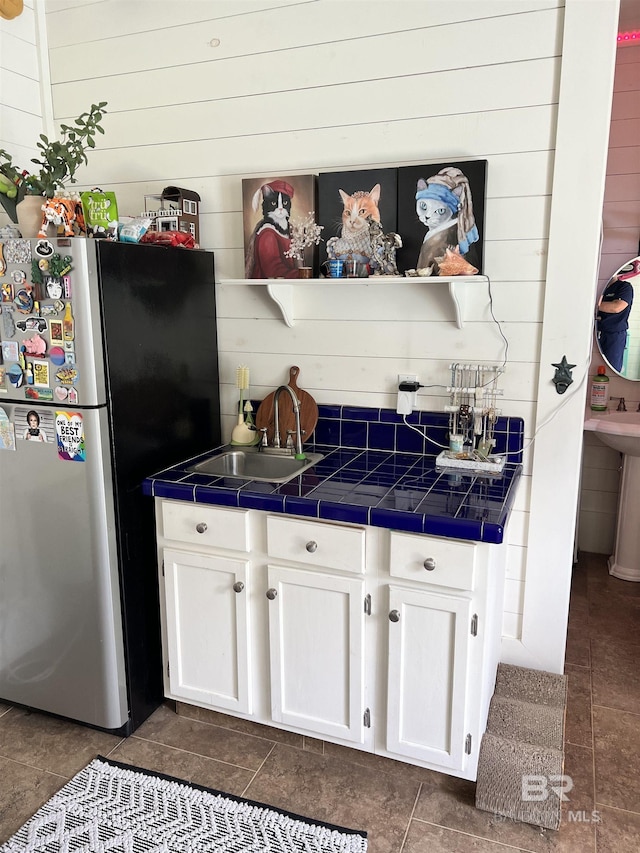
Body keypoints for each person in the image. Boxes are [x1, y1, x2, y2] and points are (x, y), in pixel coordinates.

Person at [597, 269, 634, 373]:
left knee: (611, 369)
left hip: (614, 335)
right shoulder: (598, 288)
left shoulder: (624, 287)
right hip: (595, 332)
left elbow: (616, 307)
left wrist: (594, 306)